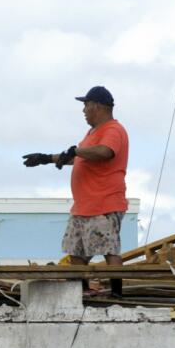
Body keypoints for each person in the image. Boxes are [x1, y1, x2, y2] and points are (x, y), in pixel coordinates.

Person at [23, 86, 129, 293]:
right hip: (83, 206)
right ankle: (81, 293)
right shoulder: (92, 133)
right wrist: (47, 158)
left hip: (104, 204)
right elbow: (79, 156)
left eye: (86, 105)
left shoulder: (113, 130)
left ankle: (118, 294)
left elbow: (104, 152)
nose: (83, 111)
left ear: (97, 106)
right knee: (76, 252)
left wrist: (77, 150)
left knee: (109, 249)